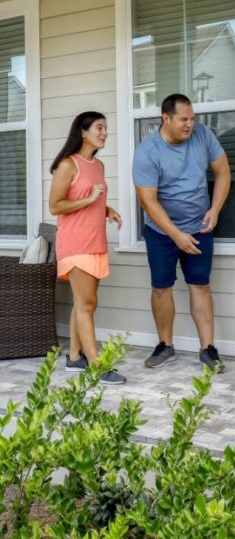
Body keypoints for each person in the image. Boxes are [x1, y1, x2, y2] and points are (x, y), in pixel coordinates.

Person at [133, 94, 231, 372]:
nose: (190, 124)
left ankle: (208, 350)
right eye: (183, 119)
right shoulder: (147, 152)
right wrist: (175, 234)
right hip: (161, 231)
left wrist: (215, 209)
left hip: (200, 225)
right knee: (161, 288)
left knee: (200, 284)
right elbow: (148, 201)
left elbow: (223, 171)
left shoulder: (203, 136)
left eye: (192, 118)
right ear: (166, 118)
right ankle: (165, 345)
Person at [49, 111, 126, 385]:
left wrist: (106, 209)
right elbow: (55, 206)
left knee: (85, 303)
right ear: (83, 132)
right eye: (99, 128)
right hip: (75, 243)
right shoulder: (68, 165)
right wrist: (90, 199)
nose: (105, 133)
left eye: (106, 128)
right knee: (88, 304)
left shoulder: (99, 165)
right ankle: (97, 365)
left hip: (95, 241)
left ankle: (74, 357)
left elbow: (88, 199)